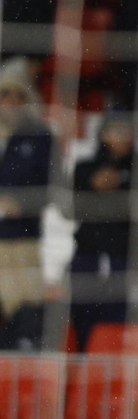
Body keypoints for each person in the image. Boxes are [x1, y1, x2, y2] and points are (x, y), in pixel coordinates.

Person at [0, 61, 53, 349]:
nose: (11, 103)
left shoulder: (40, 137)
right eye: (5, 95)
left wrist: (22, 204)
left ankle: (20, 380)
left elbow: (53, 188)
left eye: (18, 97)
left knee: (25, 316)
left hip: (20, 241)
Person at [68, 116, 136, 346]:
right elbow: (69, 210)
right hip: (88, 251)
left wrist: (123, 187)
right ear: (103, 134)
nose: (124, 136)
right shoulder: (85, 168)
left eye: (127, 130)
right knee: (82, 311)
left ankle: (112, 365)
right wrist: (92, 185)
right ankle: (82, 361)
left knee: (120, 313)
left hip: (124, 254)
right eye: (117, 130)